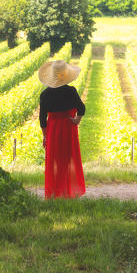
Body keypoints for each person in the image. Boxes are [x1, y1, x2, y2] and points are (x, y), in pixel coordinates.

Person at [38, 59, 86, 199]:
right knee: (67, 158)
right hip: (68, 128)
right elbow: (81, 108)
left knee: (54, 160)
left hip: (53, 129)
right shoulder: (71, 91)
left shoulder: (45, 94)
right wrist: (76, 120)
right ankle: (67, 192)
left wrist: (45, 136)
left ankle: (55, 192)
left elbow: (42, 119)